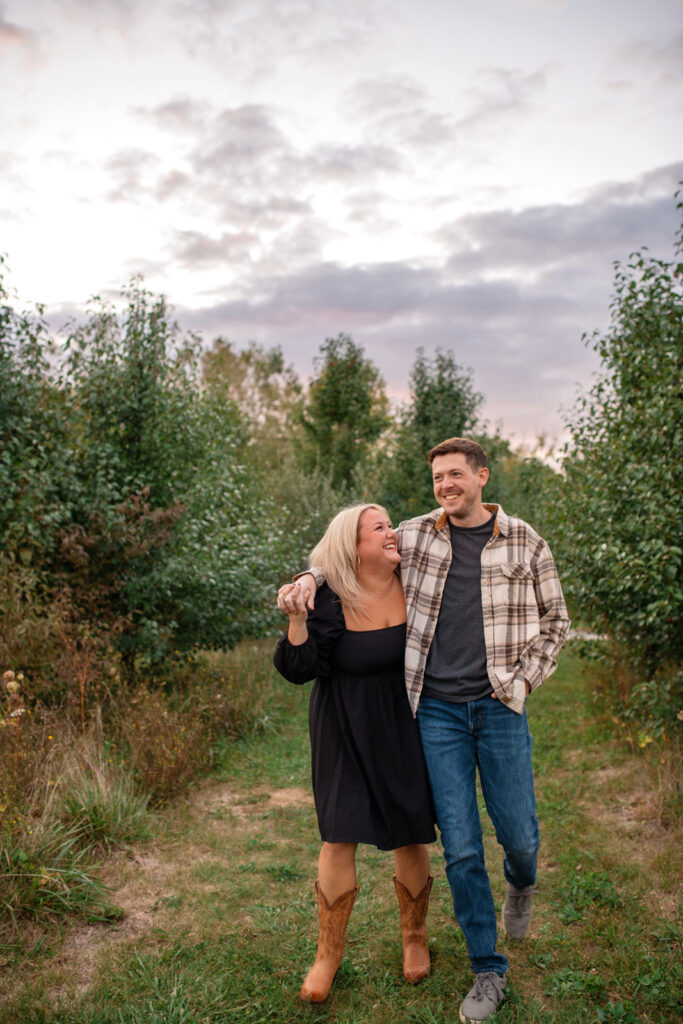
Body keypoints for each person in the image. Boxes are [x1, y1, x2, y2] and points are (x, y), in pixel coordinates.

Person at [287, 438, 570, 1024]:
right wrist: (309, 577)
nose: (446, 485)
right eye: (438, 476)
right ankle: (487, 969)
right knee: (461, 847)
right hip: (436, 710)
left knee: (516, 833)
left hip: (498, 707)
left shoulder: (525, 541)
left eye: (456, 475)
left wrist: (520, 683)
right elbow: (346, 549)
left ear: (482, 477)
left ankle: (521, 879)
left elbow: (557, 621)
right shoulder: (417, 535)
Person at [274, 503, 436, 1005]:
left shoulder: (417, 581)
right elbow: (300, 668)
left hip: (403, 725)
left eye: (390, 524)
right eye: (379, 528)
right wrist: (298, 620)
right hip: (342, 728)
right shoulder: (327, 596)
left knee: (411, 833)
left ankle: (413, 938)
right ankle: (328, 953)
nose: (392, 532)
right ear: (355, 545)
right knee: (339, 836)